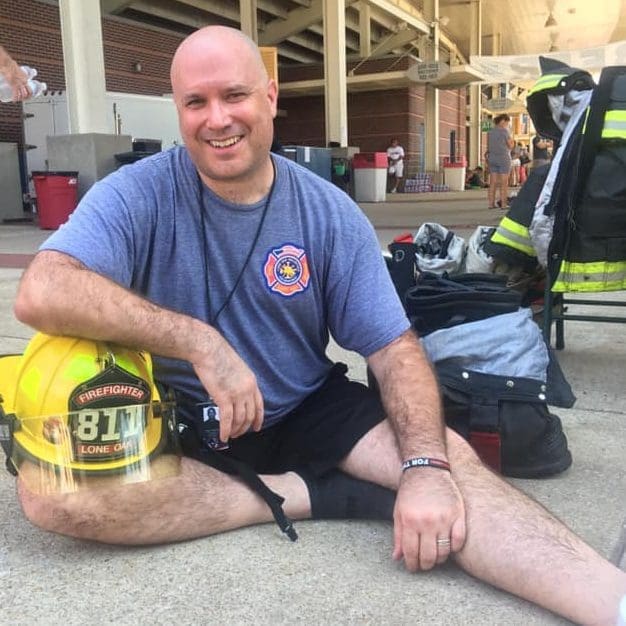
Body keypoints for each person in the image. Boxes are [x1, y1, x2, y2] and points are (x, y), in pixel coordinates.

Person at [13, 26, 626, 626]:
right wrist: (199, 342)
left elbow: (394, 349)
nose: (216, 119)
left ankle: (610, 600)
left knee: (448, 465)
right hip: (174, 420)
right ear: (178, 112)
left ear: (270, 96)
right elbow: (43, 288)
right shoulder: (136, 194)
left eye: (234, 95)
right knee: (49, 494)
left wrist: (425, 470)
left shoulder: (328, 213)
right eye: (195, 103)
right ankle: (310, 495)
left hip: (306, 405)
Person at [486, 113, 514, 209]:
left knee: (492, 182)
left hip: (492, 158)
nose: (507, 125)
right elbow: (510, 145)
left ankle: (491, 204)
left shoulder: (490, 131)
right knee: (504, 183)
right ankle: (503, 204)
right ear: (503, 121)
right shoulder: (504, 131)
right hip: (503, 158)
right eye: (507, 123)